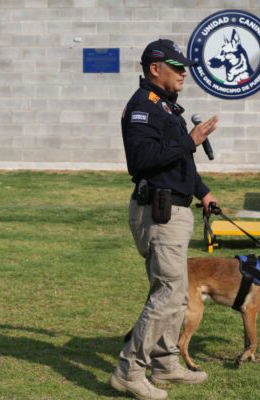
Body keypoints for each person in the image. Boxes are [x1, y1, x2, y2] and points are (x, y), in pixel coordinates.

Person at [110, 38, 219, 400]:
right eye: (177, 66)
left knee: (174, 294)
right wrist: (189, 140)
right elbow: (143, 160)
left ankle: (165, 362)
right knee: (170, 293)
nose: (184, 71)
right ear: (155, 69)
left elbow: (180, 162)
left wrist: (202, 191)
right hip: (157, 211)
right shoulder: (143, 107)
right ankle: (129, 369)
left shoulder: (167, 108)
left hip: (175, 208)